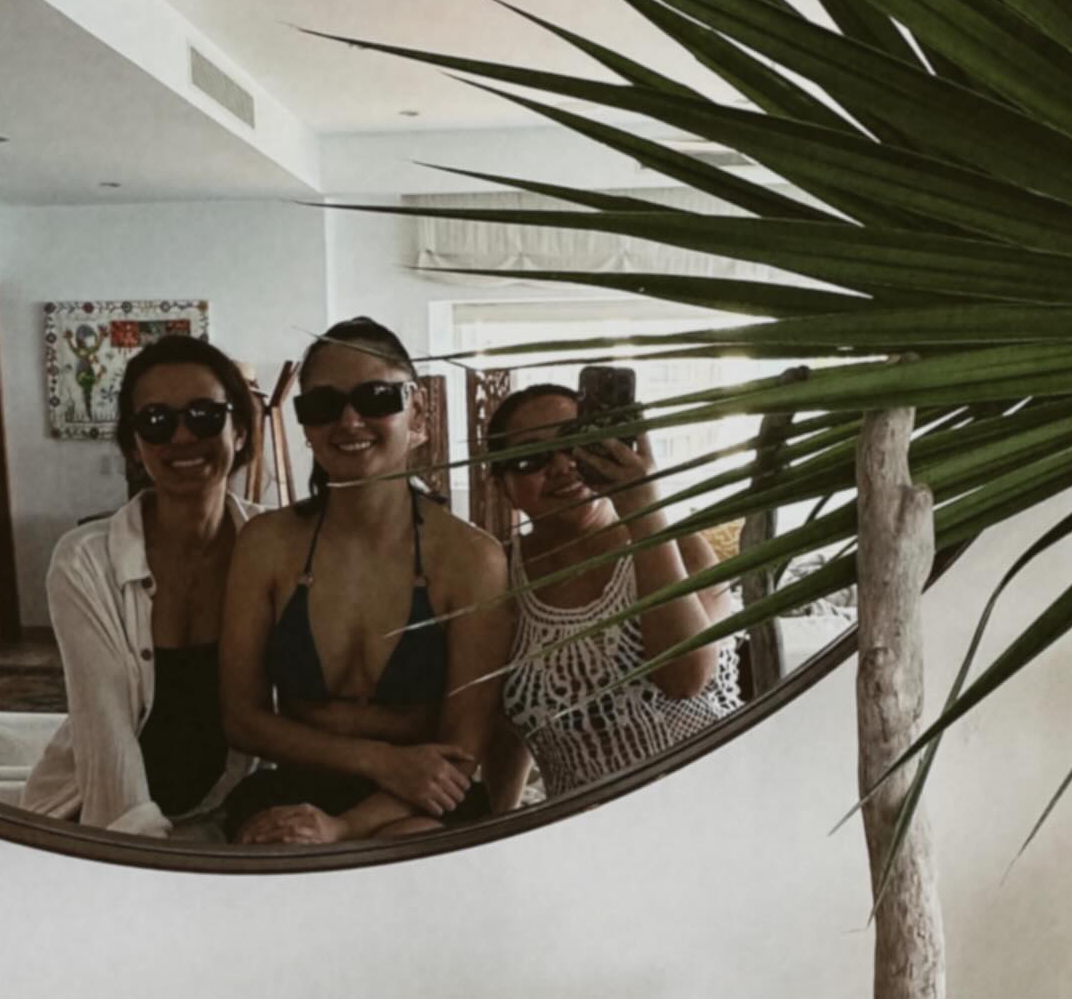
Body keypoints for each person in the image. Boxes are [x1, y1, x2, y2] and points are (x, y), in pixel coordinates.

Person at [220, 317, 510, 846]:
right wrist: (379, 760)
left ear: (416, 409)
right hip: (299, 786)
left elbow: (463, 750)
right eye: (323, 405)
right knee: (281, 849)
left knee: (409, 846)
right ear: (305, 424)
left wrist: (343, 828)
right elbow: (241, 717)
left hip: (422, 795)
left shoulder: (471, 559)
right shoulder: (267, 545)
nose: (349, 420)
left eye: (376, 398)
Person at [22, 335, 259, 837]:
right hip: (98, 823)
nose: (182, 436)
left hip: (229, 815)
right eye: (155, 421)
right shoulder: (85, 561)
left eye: (204, 416)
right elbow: (105, 735)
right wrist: (146, 856)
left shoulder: (275, 546)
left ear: (239, 430)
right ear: (134, 445)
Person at [485, 382, 741, 809]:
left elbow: (684, 678)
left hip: (712, 810)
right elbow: (502, 727)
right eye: (531, 458)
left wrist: (643, 510)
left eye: (576, 443)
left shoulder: (680, 547)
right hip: (581, 830)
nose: (562, 465)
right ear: (502, 486)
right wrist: (503, 824)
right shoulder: (497, 579)